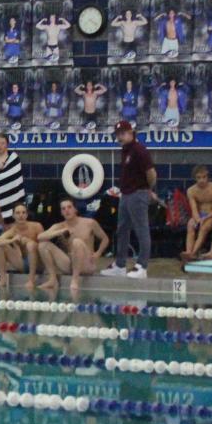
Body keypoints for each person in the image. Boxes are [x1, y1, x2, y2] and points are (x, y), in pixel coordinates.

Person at [102, 120, 155, 278]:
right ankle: (120, 264)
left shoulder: (139, 150)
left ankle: (142, 266)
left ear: (131, 132)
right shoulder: (126, 150)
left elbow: (152, 173)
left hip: (138, 194)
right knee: (122, 230)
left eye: (123, 133)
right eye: (118, 134)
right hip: (125, 195)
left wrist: (148, 190)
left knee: (141, 229)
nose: (120, 137)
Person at [38, 197, 110, 297]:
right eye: (63, 209)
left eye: (69, 207)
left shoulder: (89, 223)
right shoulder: (60, 226)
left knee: (77, 242)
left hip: (87, 265)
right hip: (69, 264)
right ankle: (52, 279)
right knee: (43, 245)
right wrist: (59, 232)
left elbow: (105, 239)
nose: (67, 210)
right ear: (61, 213)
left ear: (75, 209)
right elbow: (40, 237)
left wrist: (98, 253)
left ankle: (75, 279)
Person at [0, 202, 43, 288]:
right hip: (23, 263)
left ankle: (31, 280)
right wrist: (12, 240)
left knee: (30, 245)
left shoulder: (36, 226)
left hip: (39, 263)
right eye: (18, 213)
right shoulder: (13, 230)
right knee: (0, 247)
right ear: (13, 216)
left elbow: (43, 247)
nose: (20, 215)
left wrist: (29, 241)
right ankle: (3, 279)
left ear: (26, 215)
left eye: (23, 213)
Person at [184, 166, 212, 259]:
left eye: (204, 177)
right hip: (199, 215)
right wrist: (197, 219)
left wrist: (206, 218)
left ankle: (194, 252)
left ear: (207, 177)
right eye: (199, 177)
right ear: (195, 178)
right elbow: (194, 208)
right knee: (190, 224)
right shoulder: (191, 190)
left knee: (204, 228)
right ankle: (188, 251)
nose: (202, 180)